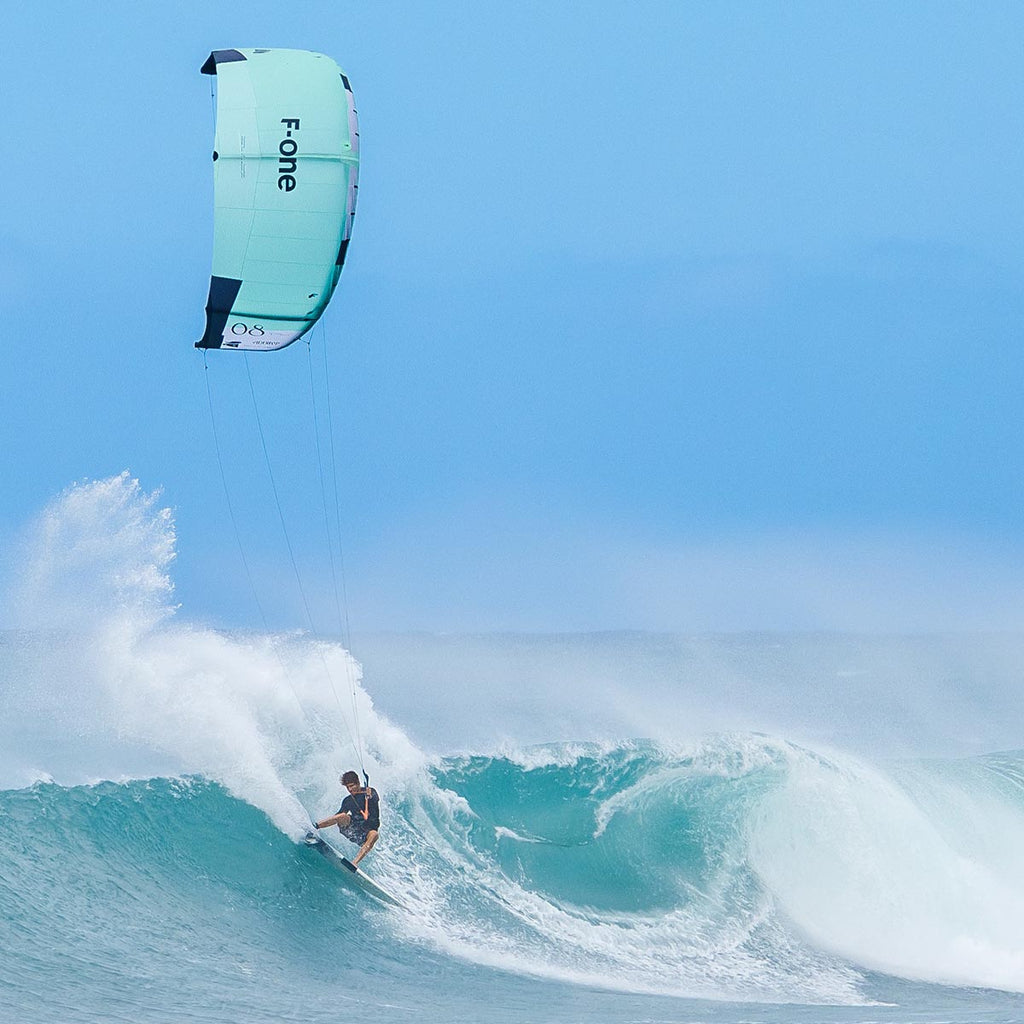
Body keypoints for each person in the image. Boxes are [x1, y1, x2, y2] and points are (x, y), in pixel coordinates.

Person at [313, 771, 380, 869]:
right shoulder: (348, 800)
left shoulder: (371, 792)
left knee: (374, 834)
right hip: (352, 829)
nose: (349, 789)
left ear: (358, 782)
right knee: (343, 816)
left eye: (351, 786)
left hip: (366, 834)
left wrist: (369, 796)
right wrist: (337, 819)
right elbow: (337, 817)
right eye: (347, 787)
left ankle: (354, 863)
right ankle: (315, 826)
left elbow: (374, 797)